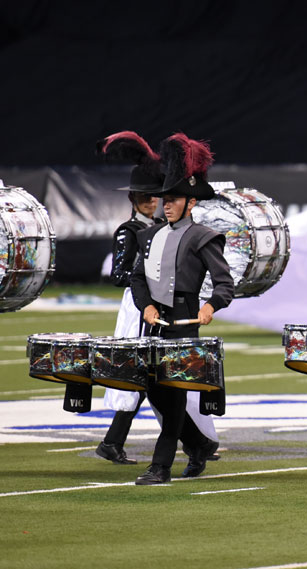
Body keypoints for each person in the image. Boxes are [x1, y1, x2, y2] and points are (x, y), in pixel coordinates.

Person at [94, 131, 221, 468]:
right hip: (139, 309)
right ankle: (192, 444)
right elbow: (124, 274)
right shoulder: (133, 232)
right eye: (154, 198)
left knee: (164, 383)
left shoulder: (172, 233)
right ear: (138, 198)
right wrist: (148, 294)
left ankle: (193, 444)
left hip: (165, 312)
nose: (159, 203)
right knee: (143, 380)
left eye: (163, 197)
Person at [130, 133, 234, 485]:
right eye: (164, 200)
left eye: (173, 200)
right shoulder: (149, 237)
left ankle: (160, 466)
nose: (166, 205)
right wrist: (144, 306)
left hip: (184, 324)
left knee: (172, 393)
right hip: (154, 324)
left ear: (190, 203)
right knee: (155, 392)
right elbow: (137, 280)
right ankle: (200, 443)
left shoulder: (203, 236)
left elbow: (224, 283)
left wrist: (210, 306)